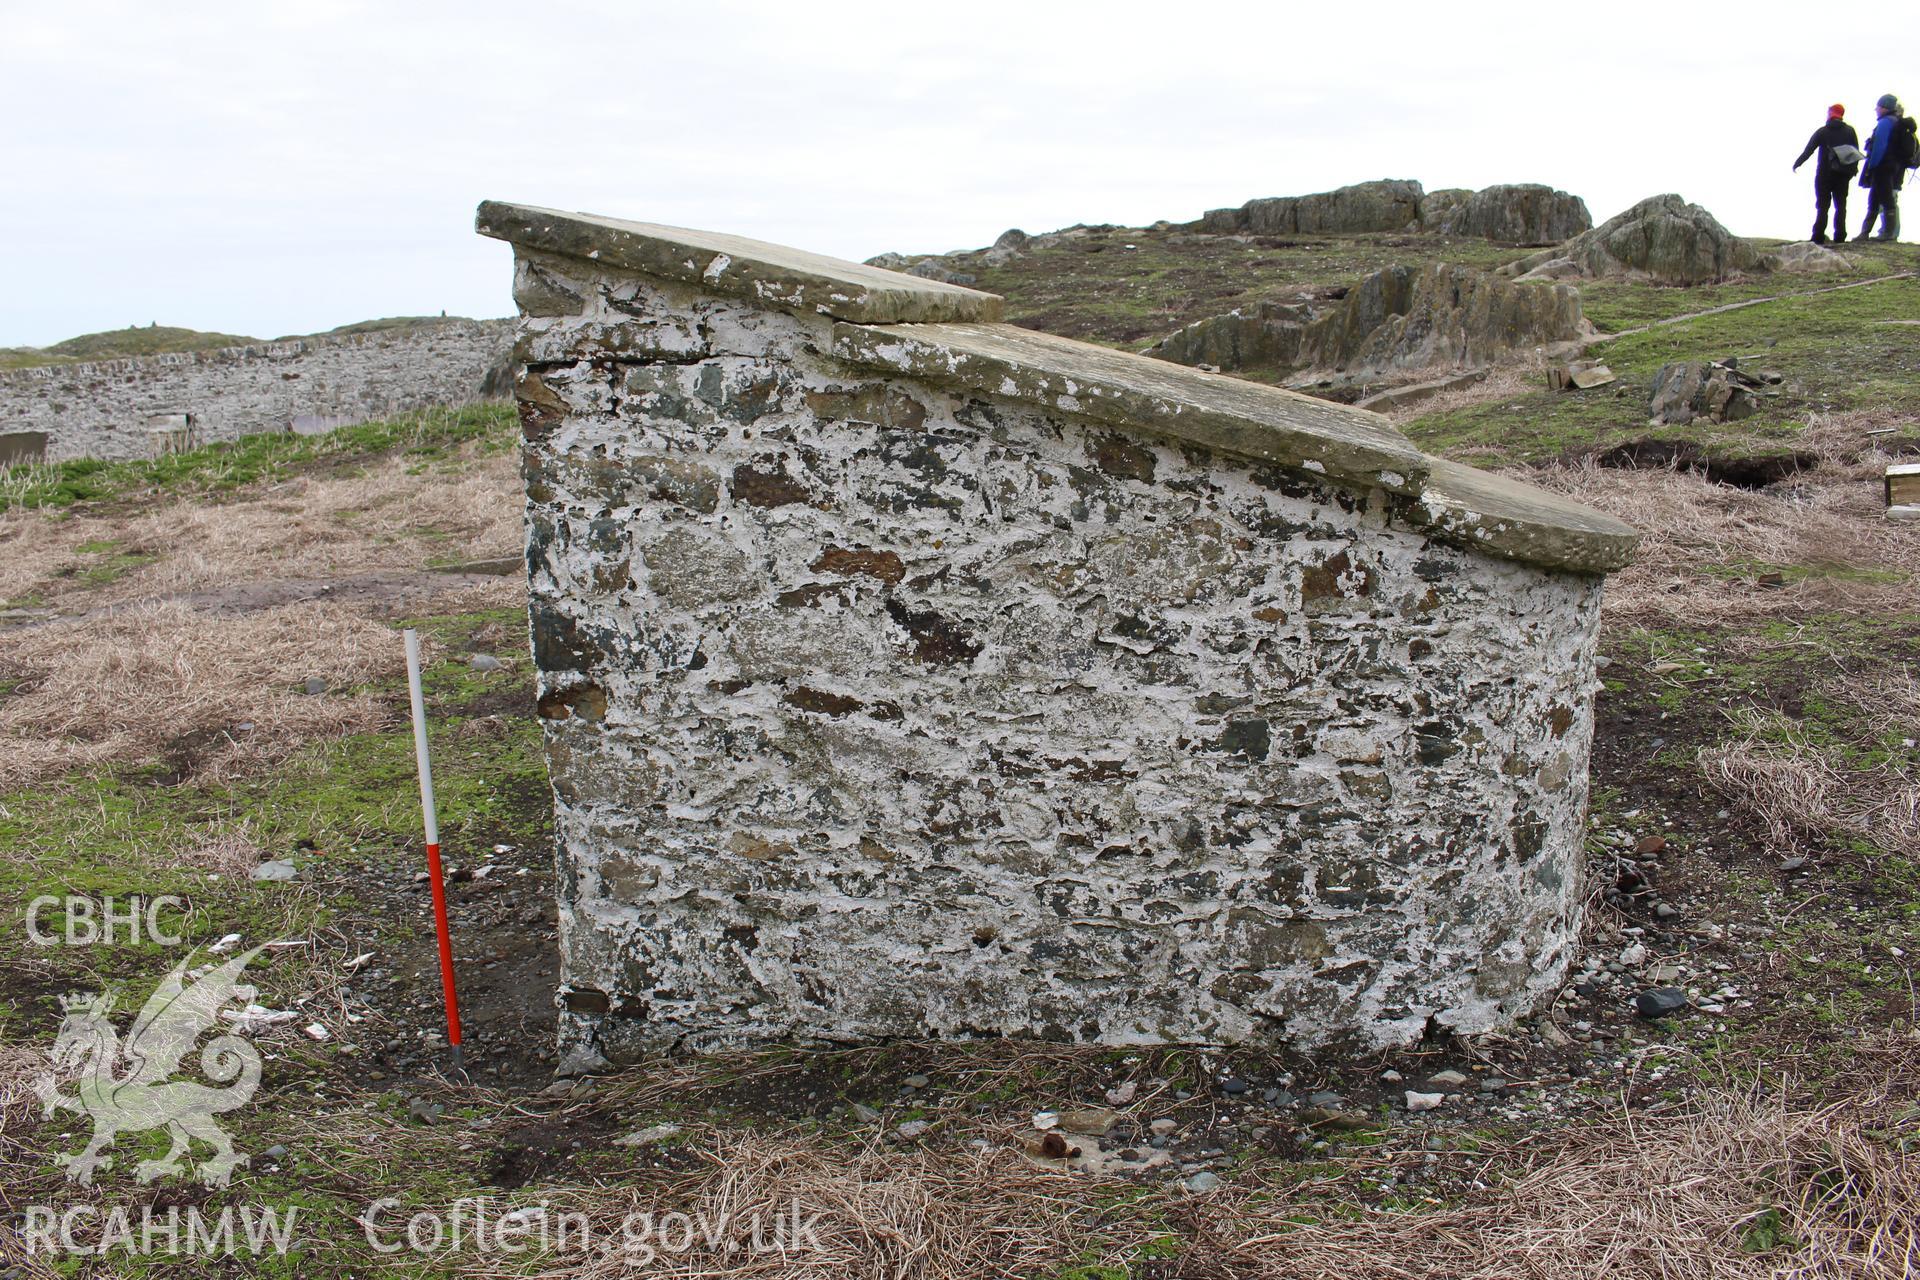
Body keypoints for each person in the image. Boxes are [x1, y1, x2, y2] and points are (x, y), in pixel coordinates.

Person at [1794, 104, 1861, 243]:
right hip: (1842, 174)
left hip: (1824, 174)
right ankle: (1840, 236)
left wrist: (1798, 163)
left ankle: (1818, 236)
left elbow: (1809, 149)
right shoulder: (1850, 131)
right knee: (1841, 205)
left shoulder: (1823, 131)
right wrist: (1852, 171)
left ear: (1830, 113)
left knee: (1823, 206)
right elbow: (1855, 153)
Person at [1859, 94, 1906, 241]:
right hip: (1892, 166)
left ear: (1884, 107)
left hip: (1882, 167)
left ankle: (1887, 234)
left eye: (1878, 107)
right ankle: (1865, 233)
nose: (1876, 110)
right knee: (1876, 198)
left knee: (1884, 199)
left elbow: (1879, 146)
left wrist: (1872, 165)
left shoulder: (1886, 122)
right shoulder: (1897, 122)